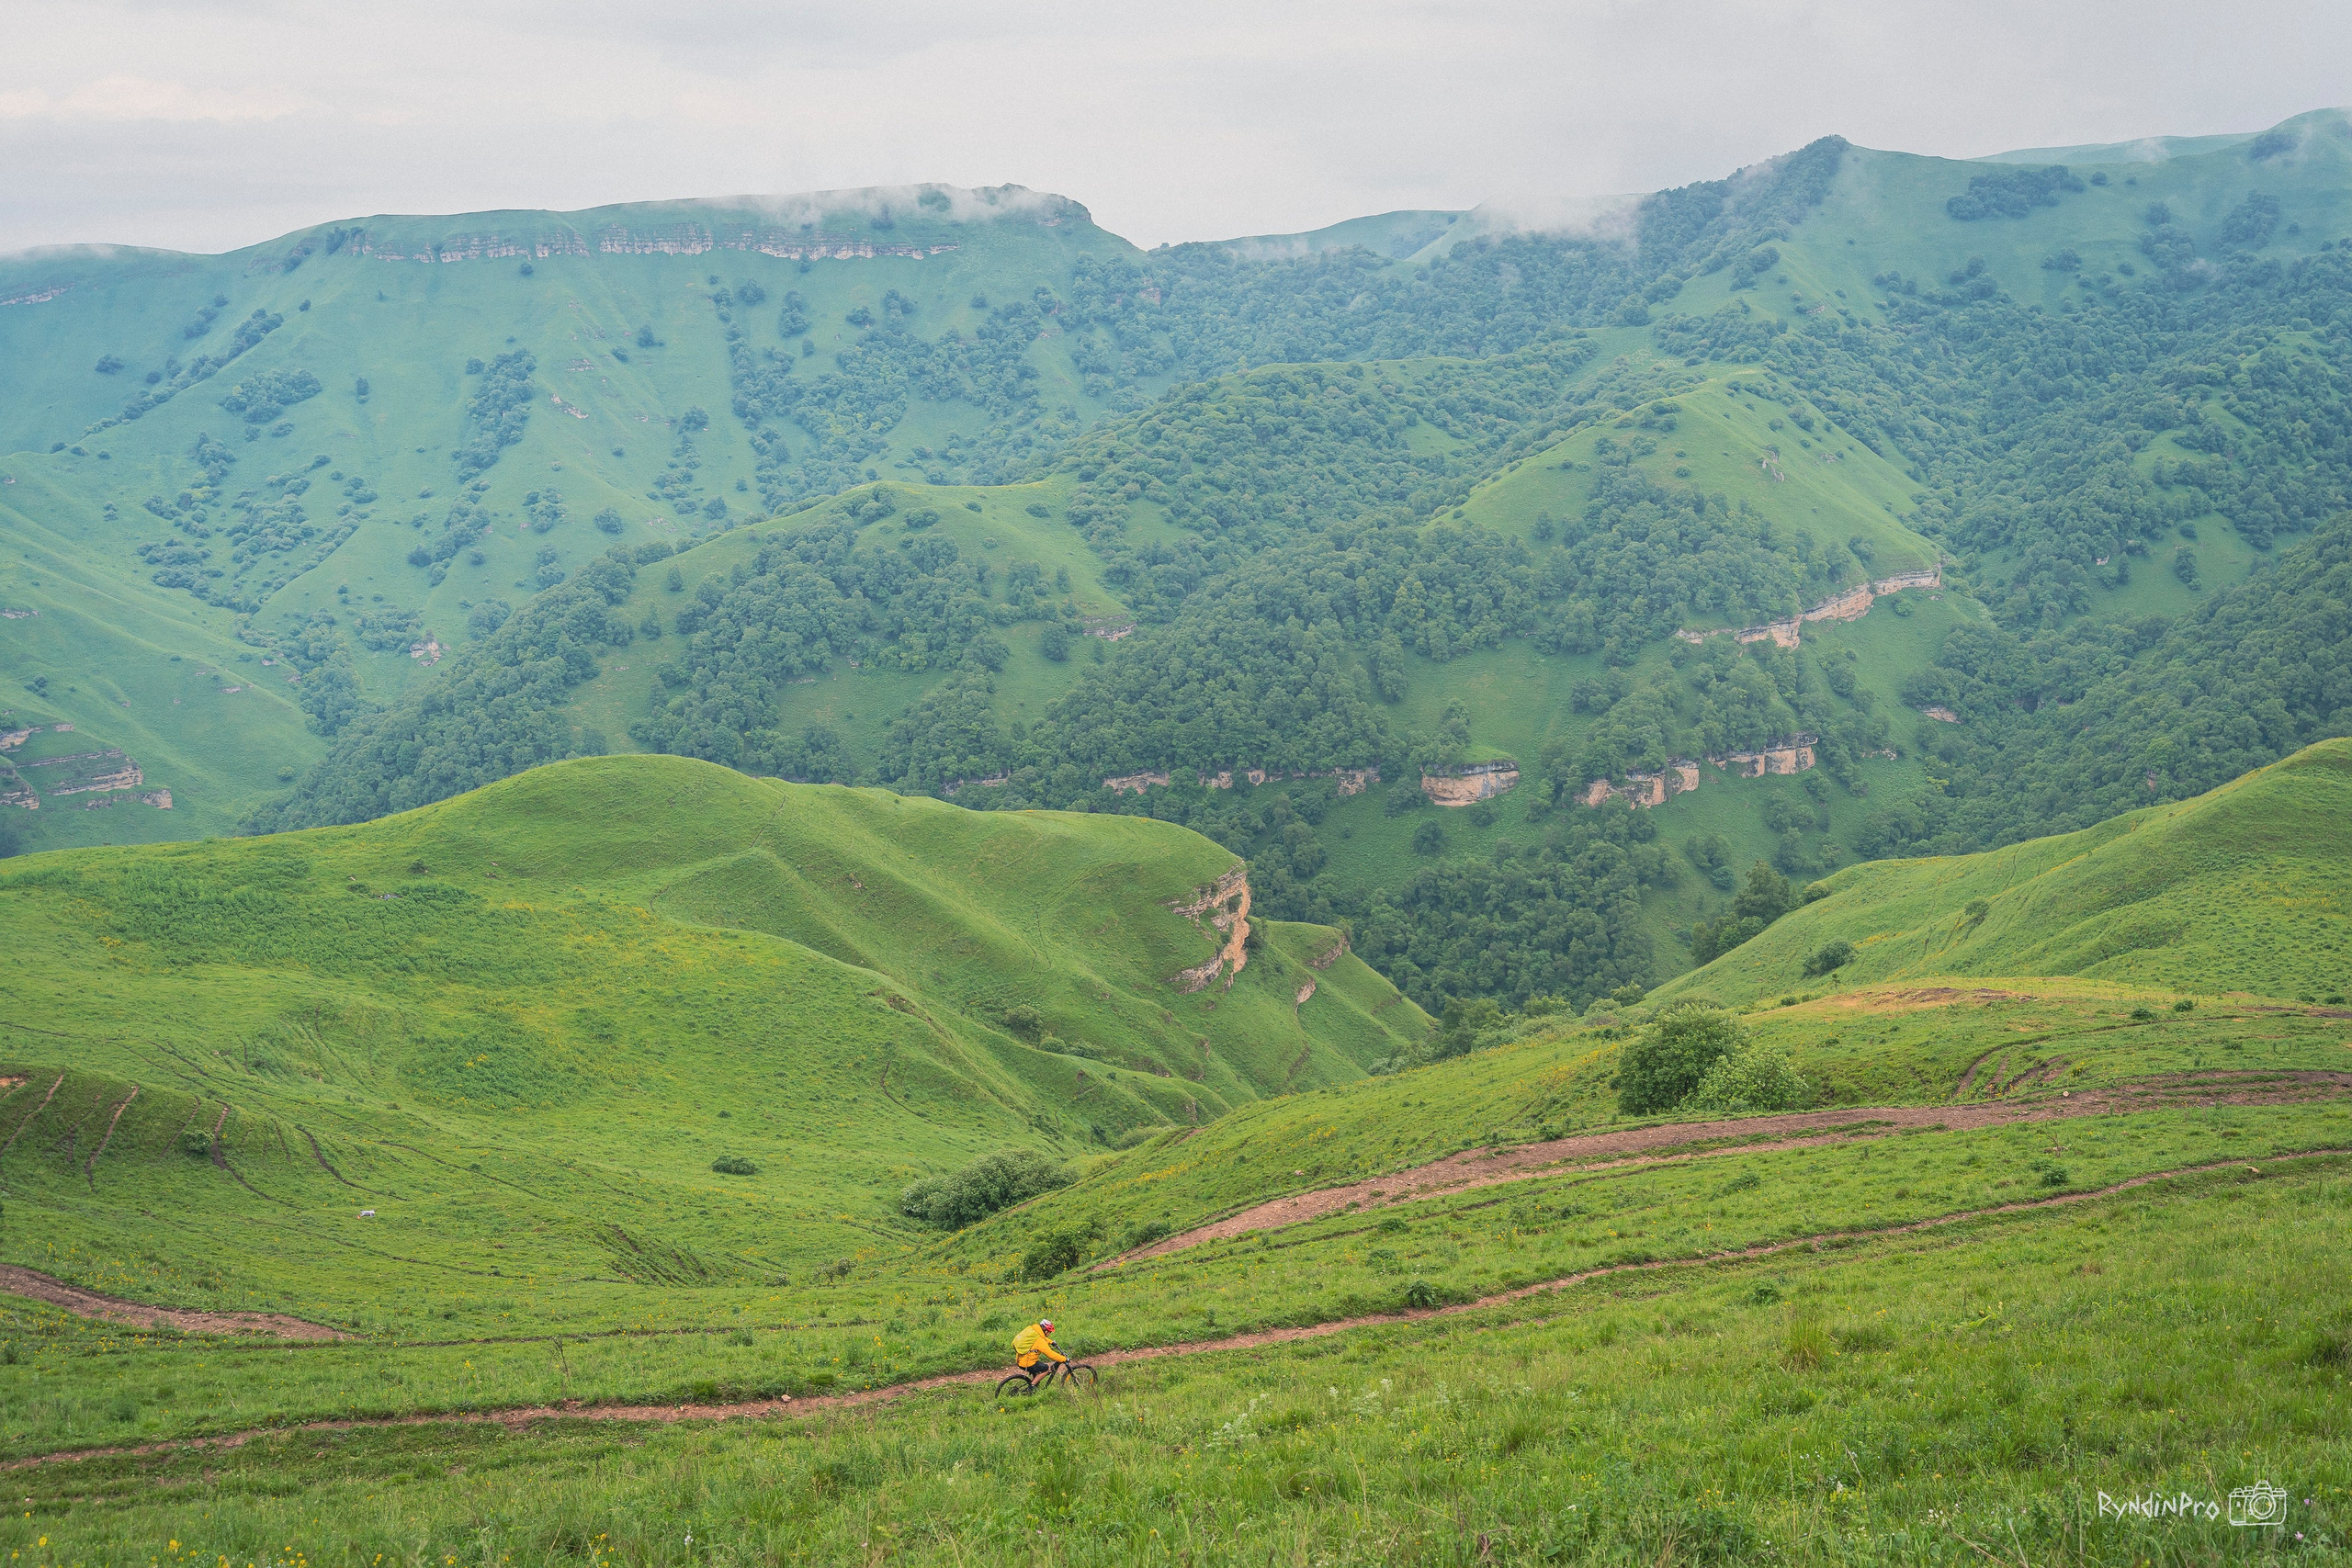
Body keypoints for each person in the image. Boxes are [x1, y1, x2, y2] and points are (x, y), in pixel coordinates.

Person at [1012, 1317, 1067, 1382]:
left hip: (1021, 1359)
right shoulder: (1040, 1341)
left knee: (1038, 1369)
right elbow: (1051, 1354)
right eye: (1049, 1332)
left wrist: (1051, 1342)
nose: (1049, 1334)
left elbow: (1042, 1337)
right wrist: (1064, 1359)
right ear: (1046, 1331)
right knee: (1047, 1369)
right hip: (1027, 1363)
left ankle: (1034, 1383)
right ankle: (1032, 1386)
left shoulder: (1034, 1330)